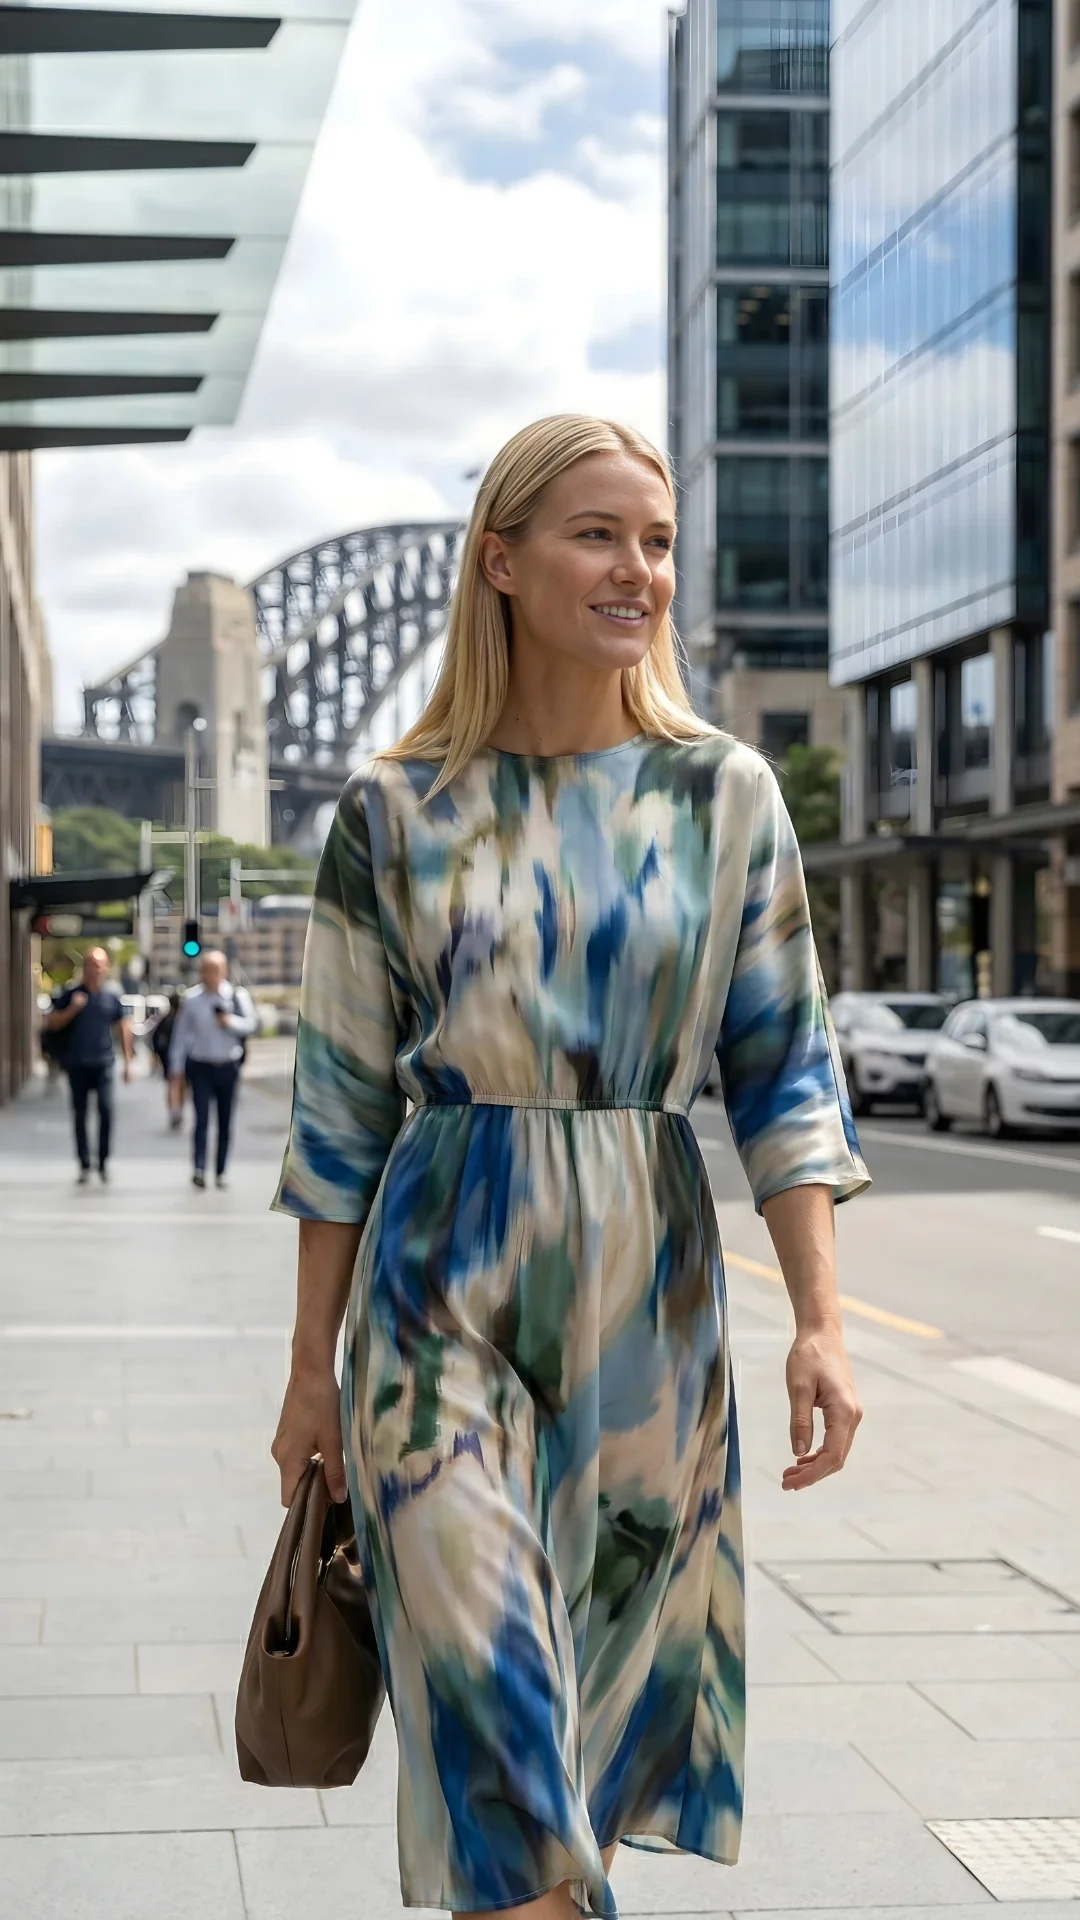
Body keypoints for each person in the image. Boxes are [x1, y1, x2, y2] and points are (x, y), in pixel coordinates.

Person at [270, 416, 869, 1920]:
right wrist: (304, 1379)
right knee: (501, 1751)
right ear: (504, 561)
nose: (637, 570)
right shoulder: (394, 810)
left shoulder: (724, 797)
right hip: (435, 1293)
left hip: (646, 1307)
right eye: (599, 535)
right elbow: (338, 1114)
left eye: (657, 542)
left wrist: (821, 1319)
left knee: (577, 1754)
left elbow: (783, 1072)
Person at [168, 951, 257, 1189]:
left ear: (224, 971)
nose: (212, 975)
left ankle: (221, 1171)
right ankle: (198, 1168)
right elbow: (181, 1036)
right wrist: (175, 1069)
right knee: (201, 1119)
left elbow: (252, 1024)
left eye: (217, 970)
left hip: (228, 1065)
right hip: (201, 1067)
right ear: (202, 972)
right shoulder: (192, 999)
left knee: (226, 1121)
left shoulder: (237, 996)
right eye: (208, 969)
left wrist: (231, 1022)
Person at [46, 947, 133, 1184]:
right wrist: (73, 1009)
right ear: (84, 968)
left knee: (106, 1111)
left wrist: (128, 1062)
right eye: (91, 965)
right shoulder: (72, 994)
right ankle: (84, 1163)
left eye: (99, 965)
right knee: (80, 1114)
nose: (95, 970)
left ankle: (103, 1161)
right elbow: (52, 1023)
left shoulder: (111, 997)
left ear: (105, 968)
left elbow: (123, 1027)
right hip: (77, 1064)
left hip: (104, 1063)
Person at [149, 991, 185, 1129]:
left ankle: (174, 1110)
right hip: (177, 1057)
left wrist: (157, 1055)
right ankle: (177, 1109)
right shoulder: (180, 1020)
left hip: (167, 1057)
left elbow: (155, 1040)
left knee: (173, 1084)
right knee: (180, 1085)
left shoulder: (165, 1019)